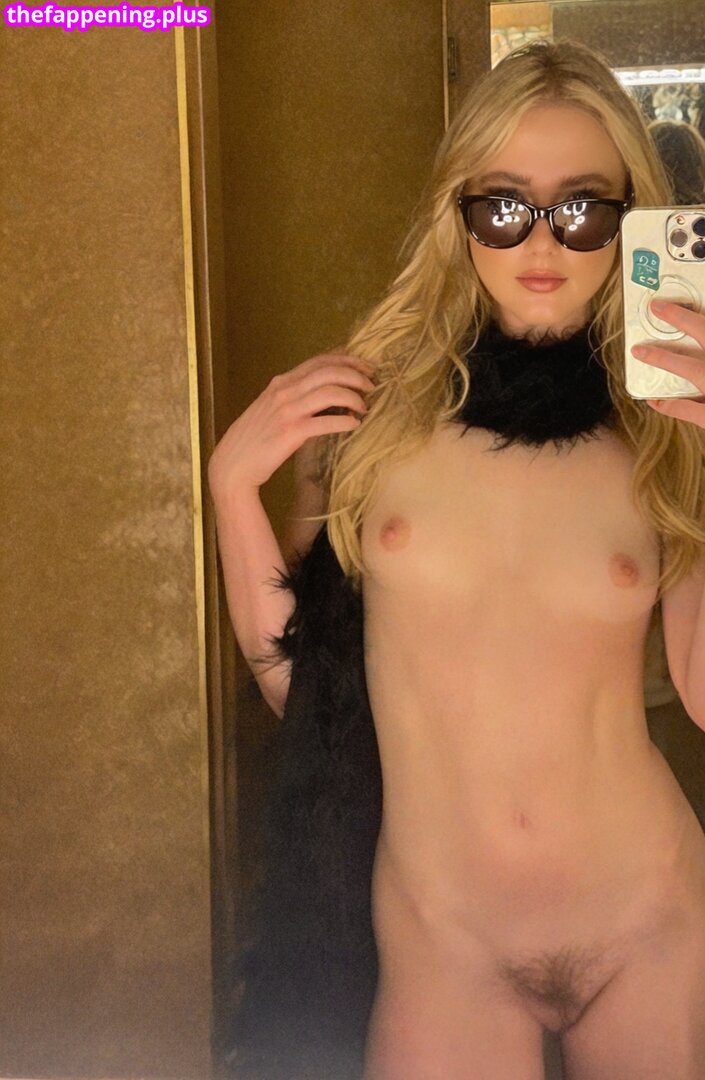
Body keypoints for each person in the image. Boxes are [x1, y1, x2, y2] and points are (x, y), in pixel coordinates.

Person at [208, 37, 705, 1080]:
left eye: (582, 209)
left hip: (649, 917)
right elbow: (307, 688)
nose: (542, 241)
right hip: (445, 942)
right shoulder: (374, 416)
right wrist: (230, 489)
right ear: (459, 213)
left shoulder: (664, 428)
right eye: (504, 206)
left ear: (629, 219)